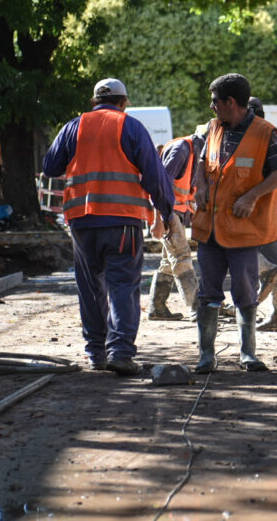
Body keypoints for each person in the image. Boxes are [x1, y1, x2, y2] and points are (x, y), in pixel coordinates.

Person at [43, 78, 175, 376]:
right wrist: (166, 212)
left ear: (93, 102)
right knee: (123, 286)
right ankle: (121, 353)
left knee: (90, 289)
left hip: (82, 221)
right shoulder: (131, 127)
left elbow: (50, 166)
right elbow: (154, 175)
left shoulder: (73, 127)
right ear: (123, 102)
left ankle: (96, 353)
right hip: (122, 221)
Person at [191, 75, 277, 372]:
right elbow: (203, 160)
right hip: (210, 229)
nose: (212, 107)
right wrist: (200, 183)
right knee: (207, 293)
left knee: (246, 293)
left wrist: (251, 196)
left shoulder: (264, 133)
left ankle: (248, 354)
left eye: (215, 101)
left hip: (243, 231)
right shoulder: (213, 128)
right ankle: (206, 357)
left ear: (231, 102)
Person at [148, 130, 205, 322]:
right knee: (181, 255)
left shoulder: (196, 152)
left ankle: (157, 307)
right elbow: (160, 185)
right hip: (167, 211)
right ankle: (196, 307)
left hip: (176, 211)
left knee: (169, 260)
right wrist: (158, 219)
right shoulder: (182, 149)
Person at [248, 96, 277, 332]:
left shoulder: (259, 135)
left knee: (267, 264)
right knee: (274, 263)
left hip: (262, 210)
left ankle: (271, 315)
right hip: (273, 210)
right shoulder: (272, 134)